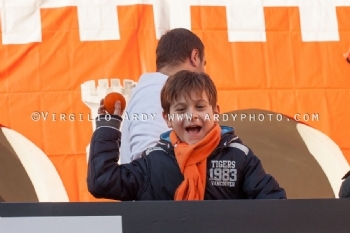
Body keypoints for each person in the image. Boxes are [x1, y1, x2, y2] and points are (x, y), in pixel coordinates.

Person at [87, 70, 286, 200]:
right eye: (181, 110)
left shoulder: (238, 155)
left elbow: (273, 204)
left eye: (200, 107)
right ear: (167, 119)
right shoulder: (154, 161)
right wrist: (108, 126)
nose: (191, 115)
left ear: (215, 111)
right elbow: (103, 181)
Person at [118, 28, 206, 164]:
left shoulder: (158, 90)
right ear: (195, 57)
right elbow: (148, 161)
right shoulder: (156, 92)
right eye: (204, 64)